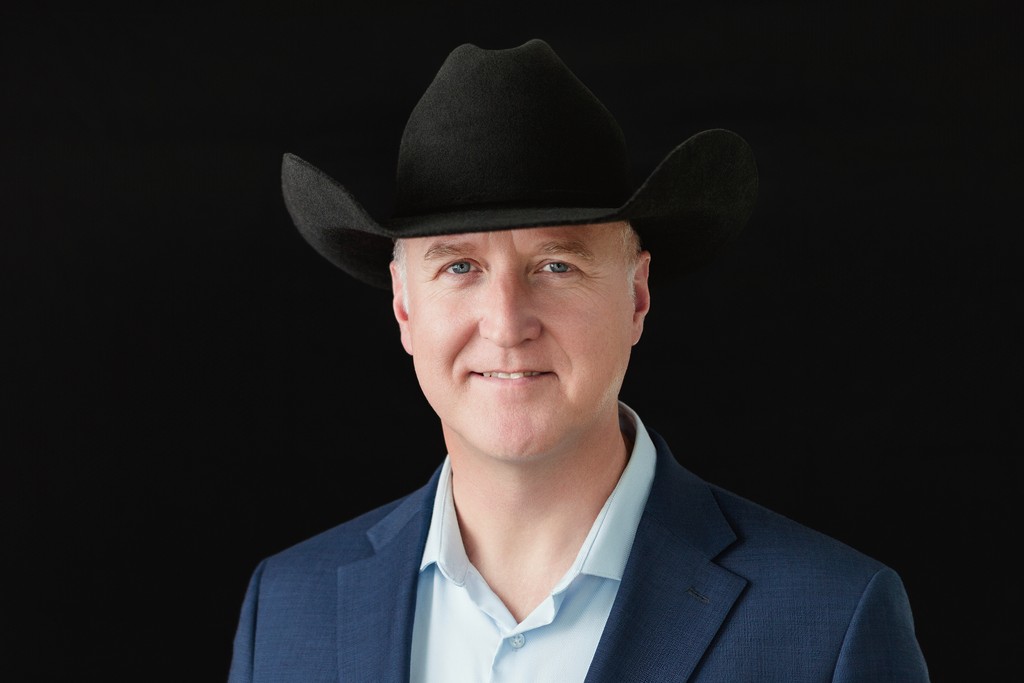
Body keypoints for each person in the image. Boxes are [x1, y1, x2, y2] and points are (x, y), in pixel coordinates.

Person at [227, 38, 930, 682]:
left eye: (557, 265)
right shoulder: (288, 609)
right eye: (461, 266)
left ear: (637, 296)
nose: (506, 323)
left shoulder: (831, 622)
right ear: (405, 308)